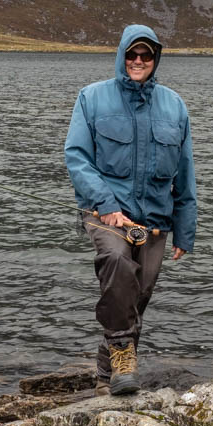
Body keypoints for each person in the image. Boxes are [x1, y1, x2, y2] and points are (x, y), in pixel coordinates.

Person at [64, 24, 197, 395]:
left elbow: (185, 173)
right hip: (105, 216)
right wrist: (105, 205)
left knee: (138, 294)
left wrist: (185, 229)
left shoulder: (175, 105)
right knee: (118, 263)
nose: (138, 61)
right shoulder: (92, 98)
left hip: (156, 221)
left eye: (146, 55)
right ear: (121, 56)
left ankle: (108, 377)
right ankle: (122, 351)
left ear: (156, 60)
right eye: (132, 54)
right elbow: (76, 157)